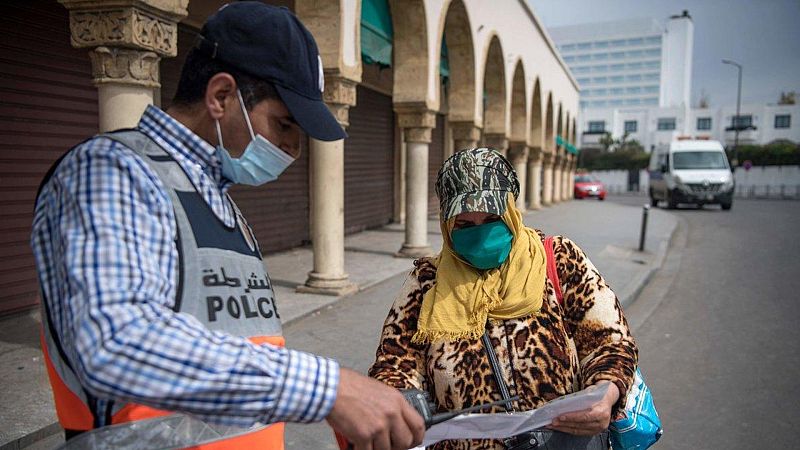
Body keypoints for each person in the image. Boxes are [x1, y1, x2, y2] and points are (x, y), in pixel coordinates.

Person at [30, 3, 423, 450]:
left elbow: (239, 354)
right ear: (220, 96)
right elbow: (116, 340)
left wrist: (343, 405)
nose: (294, 149)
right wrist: (328, 390)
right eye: (285, 124)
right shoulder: (112, 172)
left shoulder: (221, 205)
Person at [368, 148, 638, 449]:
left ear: (510, 212)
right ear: (446, 225)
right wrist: (402, 402)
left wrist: (606, 393)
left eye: (491, 219)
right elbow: (394, 363)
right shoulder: (426, 281)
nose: (481, 234)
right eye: (465, 225)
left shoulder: (558, 258)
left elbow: (610, 341)